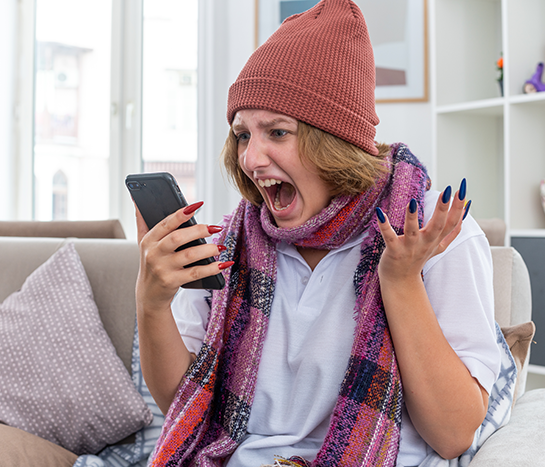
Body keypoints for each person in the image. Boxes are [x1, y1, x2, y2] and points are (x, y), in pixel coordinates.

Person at [134, 1, 515, 466]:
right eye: (242, 135)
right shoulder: (228, 246)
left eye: (277, 132)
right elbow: (188, 410)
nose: (251, 159)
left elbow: (453, 434)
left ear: (334, 140)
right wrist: (151, 303)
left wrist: (400, 281)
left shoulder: (432, 231)